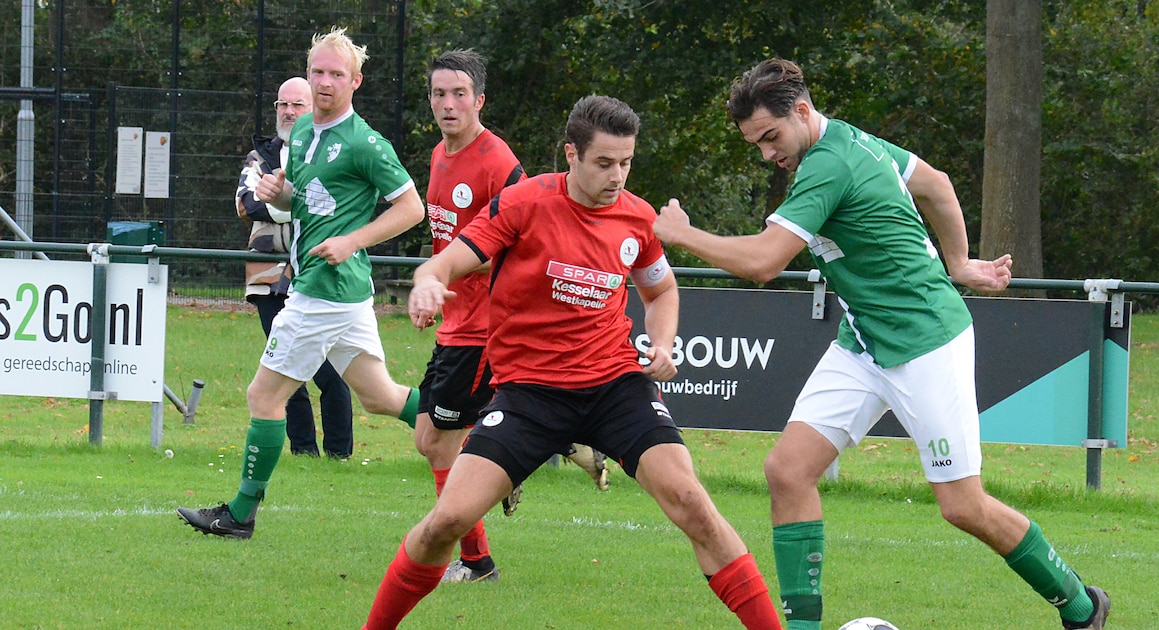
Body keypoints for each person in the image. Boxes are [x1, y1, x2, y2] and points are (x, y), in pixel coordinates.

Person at [653, 58, 1110, 630]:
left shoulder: (829, 164)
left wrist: (680, 235)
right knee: (788, 471)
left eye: (770, 137)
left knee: (962, 506)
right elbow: (936, 185)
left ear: (801, 111)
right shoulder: (849, 138)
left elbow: (764, 263)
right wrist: (960, 261)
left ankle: (1082, 605)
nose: (768, 154)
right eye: (756, 145)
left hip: (925, 341)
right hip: (864, 340)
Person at [363, 95, 782, 629]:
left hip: (616, 386)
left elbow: (661, 292)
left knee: (691, 502)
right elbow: (442, 264)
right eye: (605, 163)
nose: (617, 176)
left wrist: (664, 343)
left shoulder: (637, 218)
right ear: (572, 155)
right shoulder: (523, 203)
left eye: (626, 162)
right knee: (446, 521)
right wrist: (426, 285)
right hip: (529, 394)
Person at [177, 26, 424, 539]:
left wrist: (353, 241)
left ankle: (240, 515)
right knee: (380, 397)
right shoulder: (306, 130)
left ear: (356, 81)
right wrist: (280, 193)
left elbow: (411, 208)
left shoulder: (366, 143)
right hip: (342, 291)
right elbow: (305, 202)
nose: (325, 82)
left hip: (323, 289)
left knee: (262, 397)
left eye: (337, 74)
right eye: (318, 72)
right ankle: (483, 439)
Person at [414, 49, 613, 584]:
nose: (448, 104)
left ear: (480, 100)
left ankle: (477, 560)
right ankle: (536, 450)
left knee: (438, 440)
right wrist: (433, 289)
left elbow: (523, 236)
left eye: (459, 94)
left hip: (481, 327)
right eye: (439, 93)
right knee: (429, 434)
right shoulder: (439, 155)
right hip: (454, 320)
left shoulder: (498, 161)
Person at [235, 76, 355, 460]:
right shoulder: (259, 158)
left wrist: (285, 202)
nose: (288, 112)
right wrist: (302, 206)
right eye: (282, 105)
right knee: (284, 373)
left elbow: (339, 205)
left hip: (319, 277)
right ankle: (304, 452)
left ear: (313, 108)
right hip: (267, 281)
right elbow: (245, 204)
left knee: (331, 373)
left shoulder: (331, 152)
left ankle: (340, 455)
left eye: (297, 105)